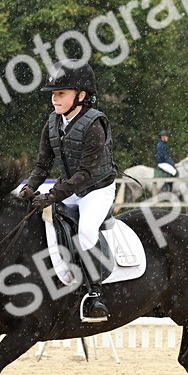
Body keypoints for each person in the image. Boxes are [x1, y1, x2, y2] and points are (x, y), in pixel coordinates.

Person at [19, 60, 117, 323]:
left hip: (97, 189)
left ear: (81, 96)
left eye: (61, 93)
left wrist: (52, 195)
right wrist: (30, 188)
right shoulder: (53, 122)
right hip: (70, 186)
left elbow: (85, 174)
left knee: (85, 233)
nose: (55, 99)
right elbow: (42, 164)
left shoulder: (95, 124)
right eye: (53, 94)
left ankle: (94, 295)